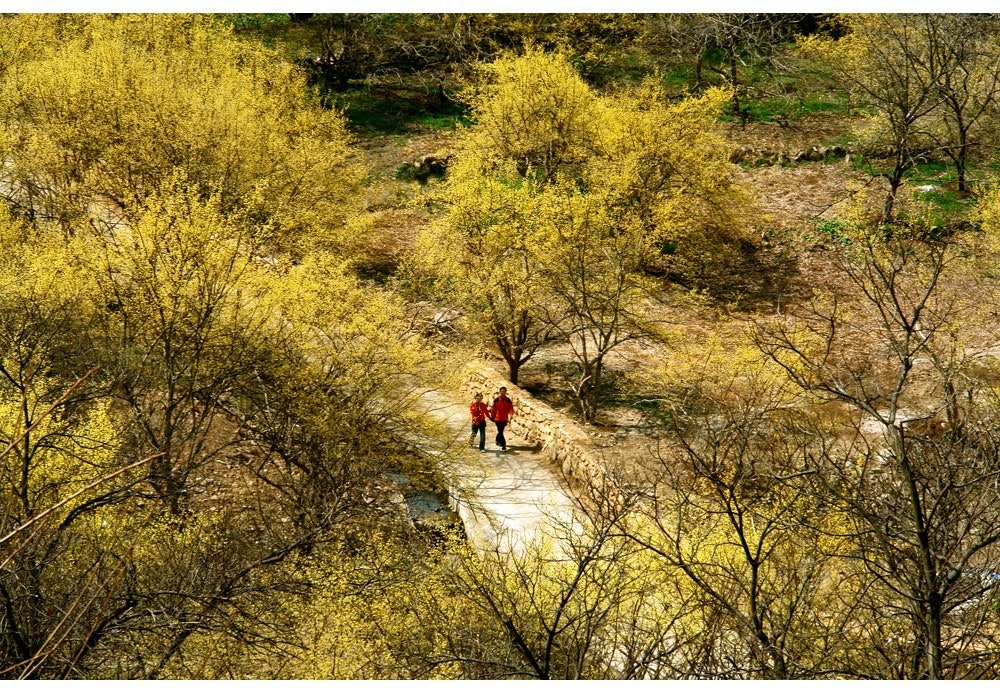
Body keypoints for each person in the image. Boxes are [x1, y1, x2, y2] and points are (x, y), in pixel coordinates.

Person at [489, 386, 514, 451]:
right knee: (500, 431)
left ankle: (497, 440)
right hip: (497, 419)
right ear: (500, 392)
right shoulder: (496, 400)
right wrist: (492, 417)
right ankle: (503, 445)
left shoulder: (508, 400)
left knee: (500, 431)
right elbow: (493, 409)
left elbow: (510, 408)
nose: (503, 393)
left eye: (504, 391)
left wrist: (511, 414)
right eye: (502, 391)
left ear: (506, 392)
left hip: (504, 419)